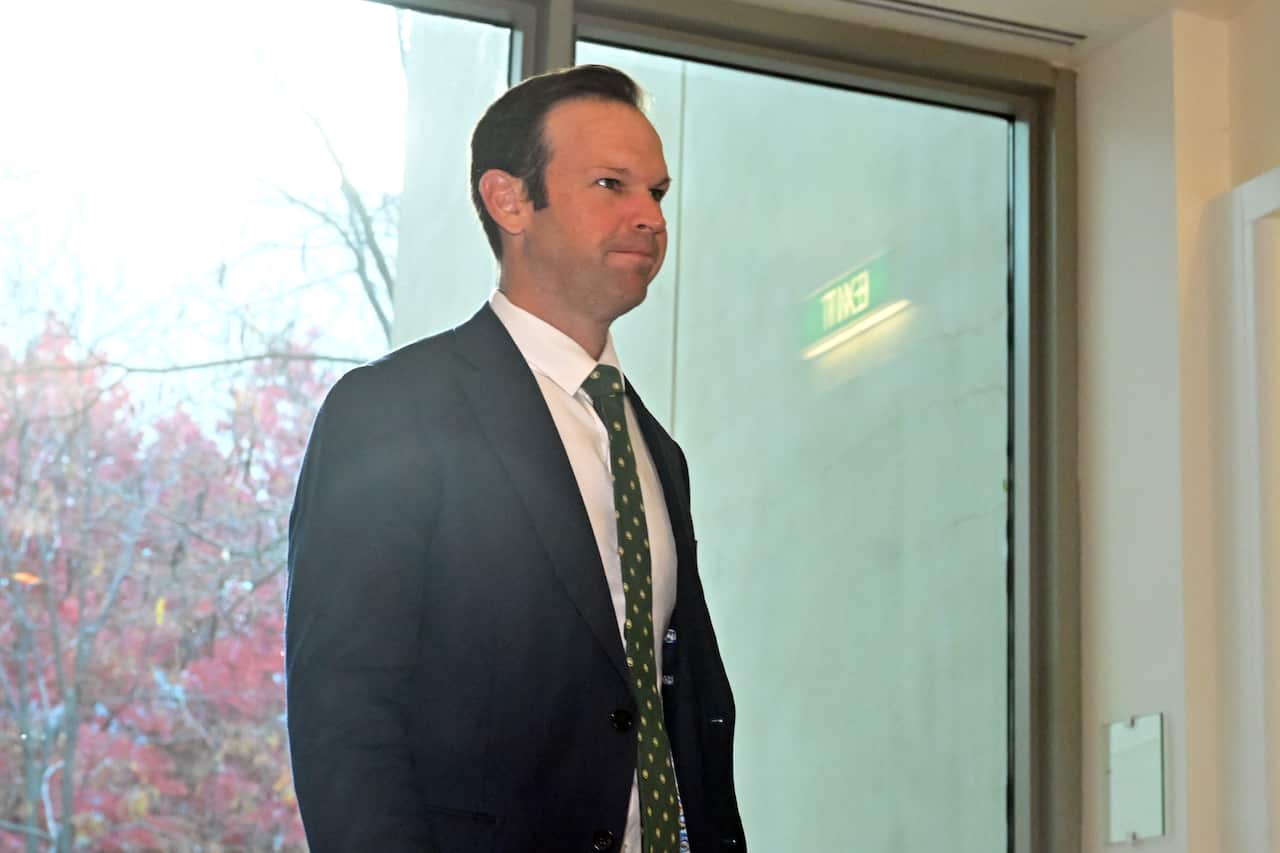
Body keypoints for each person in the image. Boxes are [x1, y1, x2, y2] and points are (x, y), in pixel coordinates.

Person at [284, 64, 746, 853]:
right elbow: (345, 714)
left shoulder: (655, 450)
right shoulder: (394, 411)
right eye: (612, 184)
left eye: (658, 193)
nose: (648, 217)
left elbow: (678, 702)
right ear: (509, 200)